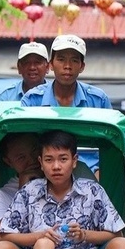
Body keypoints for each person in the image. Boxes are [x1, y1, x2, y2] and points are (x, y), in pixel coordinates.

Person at [21, 34, 111, 173]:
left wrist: (101, 173)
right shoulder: (32, 100)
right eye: (61, 59)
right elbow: (24, 145)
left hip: (91, 173)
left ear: (82, 66)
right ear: (51, 64)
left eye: (74, 60)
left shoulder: (98, 100)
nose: (67, 66)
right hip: (43, 173)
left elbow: (112, 145)